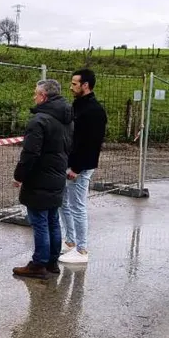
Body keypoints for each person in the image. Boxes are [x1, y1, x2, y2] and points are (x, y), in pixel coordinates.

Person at [12, 79, 73, 279]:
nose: (34, 97)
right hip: (57, 177)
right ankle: (52, 262)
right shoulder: (67, 119)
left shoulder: (38, 121)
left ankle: (39, 264)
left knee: (39, 222)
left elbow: (30, 153)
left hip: (39, 179)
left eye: (35, 94)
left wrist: (19, 176)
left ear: (44, 96)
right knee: (53, 220)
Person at [59, 69, 107, 264]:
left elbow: (91, 144)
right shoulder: (78, 106)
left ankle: (82, 249)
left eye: (74, 84)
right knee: (63, 202)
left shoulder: (94, 111)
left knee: (77, 206)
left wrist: (76, 169)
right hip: (70, 163)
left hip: (80, 167)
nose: (71, 87)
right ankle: (70, 241)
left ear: (85, 85)